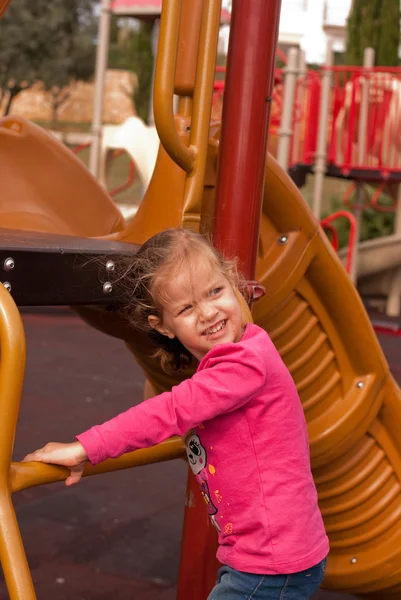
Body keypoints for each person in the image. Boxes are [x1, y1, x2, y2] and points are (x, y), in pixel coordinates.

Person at [23, 228, 329, 599]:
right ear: (162, 326)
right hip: (266, 553)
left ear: (232, 282)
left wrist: (86, 447)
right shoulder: (240, 356)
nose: (208, 312)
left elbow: (169, 411)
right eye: (186, 308)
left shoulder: (244, 364)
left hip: (270, 561)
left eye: (215, 291)